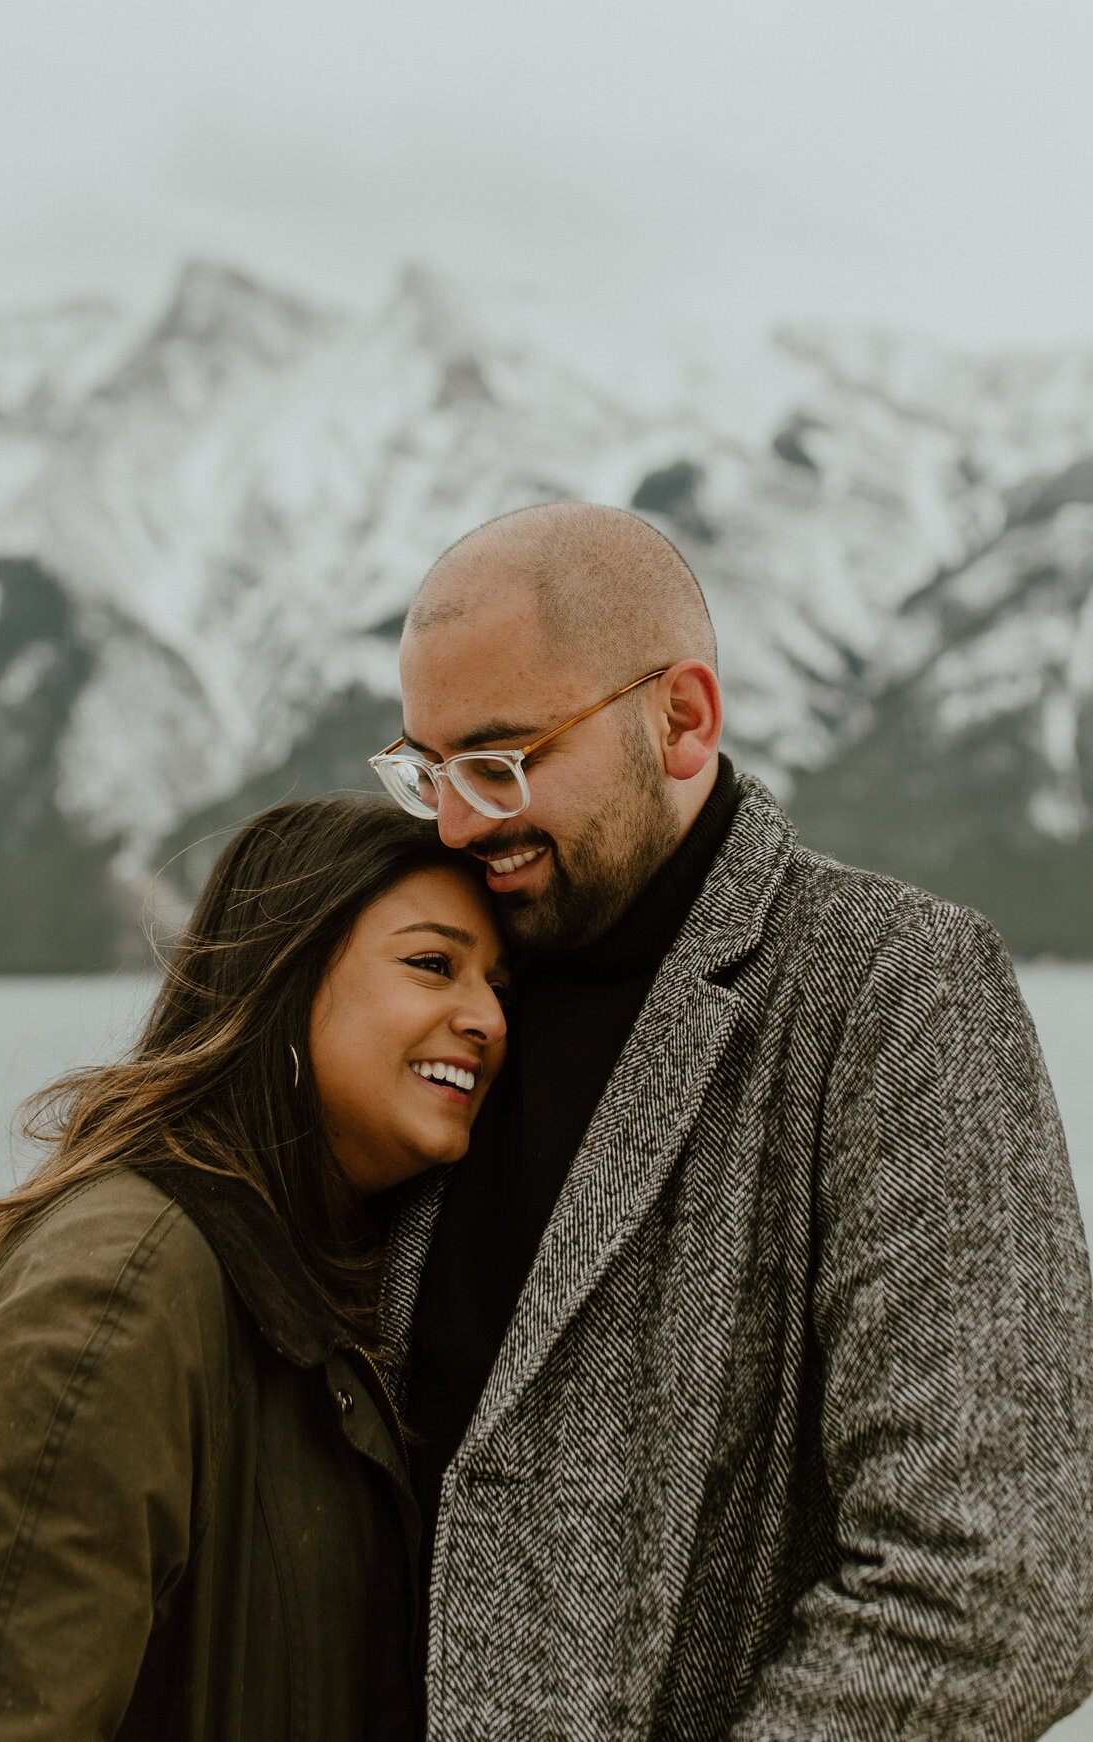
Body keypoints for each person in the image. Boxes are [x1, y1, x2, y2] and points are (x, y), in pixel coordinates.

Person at [368, 502, 1093, 1740]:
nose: (456, 821)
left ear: (684, 717)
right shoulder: (419, 989)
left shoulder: (892, 990)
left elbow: (1003, 1581)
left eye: (500, 761)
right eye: (428, 770)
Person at [0, 798, 509, 1740]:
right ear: (285, 977)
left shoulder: (298, 1274)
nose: (488, 1020)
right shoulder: (121, 1292)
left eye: (498, 983)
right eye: (433, 965)